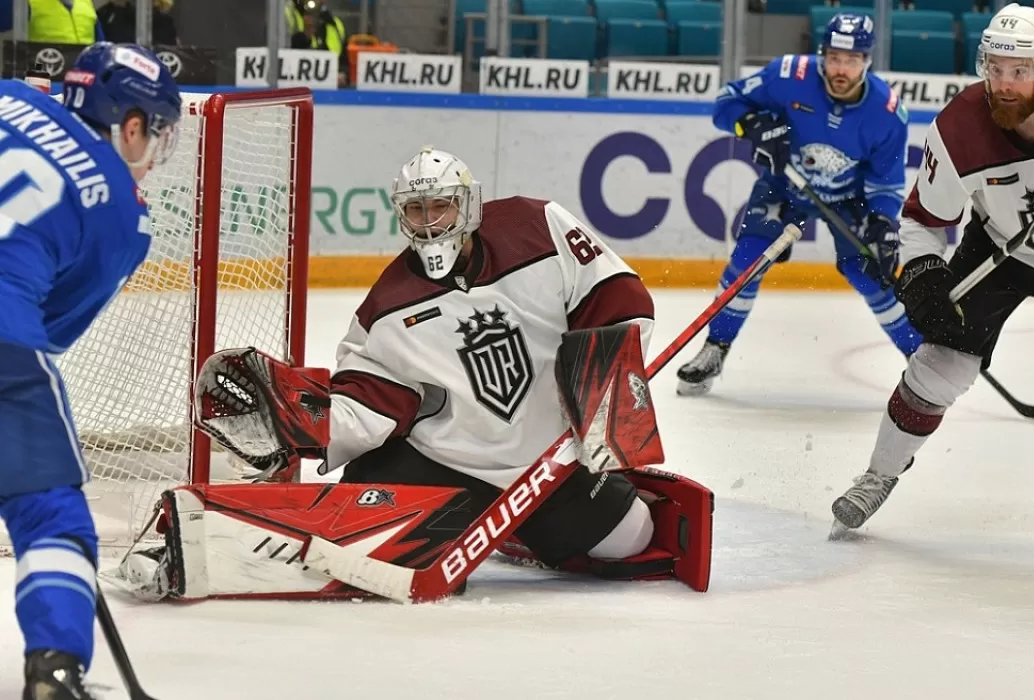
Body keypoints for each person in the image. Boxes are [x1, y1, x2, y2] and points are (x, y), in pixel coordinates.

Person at [115, 146, 714, 602]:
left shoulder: (540, 227)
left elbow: (617, 296)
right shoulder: (386, 310)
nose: (430, 222)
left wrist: (604, 390)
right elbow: (370, 402)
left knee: (632, 537)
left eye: (442, 206)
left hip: (550, 466)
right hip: (448, 465)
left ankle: (523, 530)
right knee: (356, 515)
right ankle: (211, 534)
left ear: (469, 204)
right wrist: (307, 422)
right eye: (416, 209)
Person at [827, 3, 1034, 535]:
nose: (1005, 84)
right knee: (939, 365)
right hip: (1001, 250)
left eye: (1020, 71)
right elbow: (921, 219)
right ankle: (879, 474)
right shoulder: (958, 128)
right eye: (995, 69)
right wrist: (922, 272)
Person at [0, 42, 181, 700]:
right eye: (156, 131)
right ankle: (54, 680)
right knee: (49, 511)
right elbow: (49, 327)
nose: (154, 148)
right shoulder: (122, 215)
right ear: (129, 125)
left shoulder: (8, 96)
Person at [675, 12, 918, 396]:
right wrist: (751, 125)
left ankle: (920, 360)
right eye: (835, 58)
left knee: (871, 275)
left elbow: (886, 183)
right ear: (822, 55)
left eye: (852, 61)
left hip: (847, 200)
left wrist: (883, 224)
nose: (841, 69)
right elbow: (725, 103)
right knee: (748, 262)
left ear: (867, 62)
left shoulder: (887, 114)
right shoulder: (789, 76)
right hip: (784, 187)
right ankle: (715, 348)